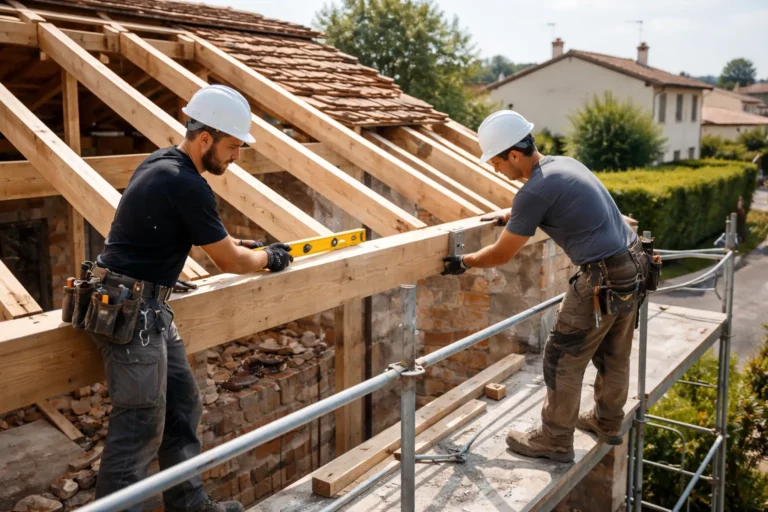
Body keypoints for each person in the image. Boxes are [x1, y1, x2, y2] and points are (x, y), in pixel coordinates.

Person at [89, 85, 294, 511]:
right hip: (130, 311)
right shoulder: (187, 184)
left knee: (182, 406)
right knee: (140, 426)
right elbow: (231, 262)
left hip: (148, 307)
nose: (236, 157)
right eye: (234, 147)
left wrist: (238, 243)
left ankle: (189, 505)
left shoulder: (162, 163)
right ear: (206, 138)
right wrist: (267, 258)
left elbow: (191, 232)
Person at [442, 110, 649, 463]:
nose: (495, 170)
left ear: (514, 155)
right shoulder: (563, 165)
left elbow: (502, 253)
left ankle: (554, 439)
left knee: (561, 357)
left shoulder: (533, 192)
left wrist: (465, 262)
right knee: (614, 352)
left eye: (496, 162)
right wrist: (512, 216)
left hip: (601, 275)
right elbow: (556, 203)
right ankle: (607, 421)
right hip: (635, 264)